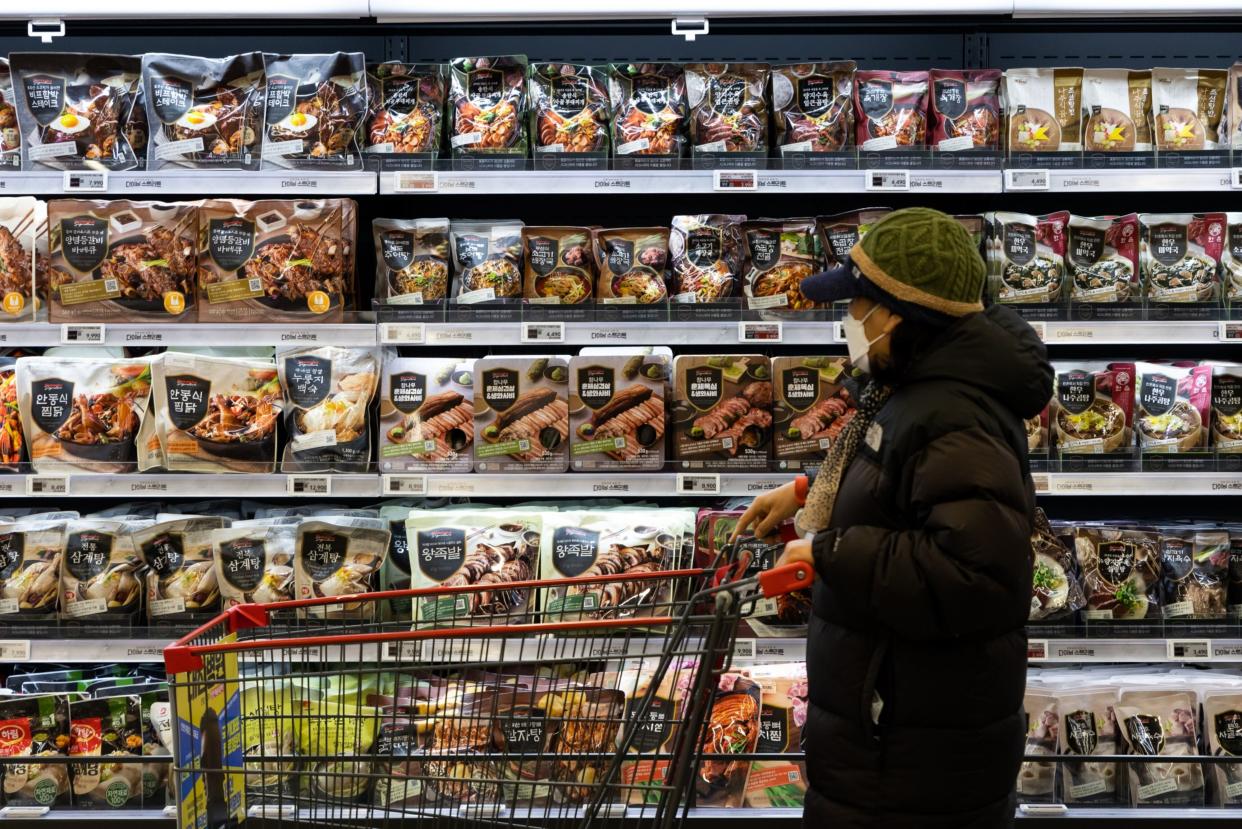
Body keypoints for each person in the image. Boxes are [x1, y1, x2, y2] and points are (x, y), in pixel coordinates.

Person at [733, 207, 1052, 829]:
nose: (851, 319)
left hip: (914, 755)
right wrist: (805, 492)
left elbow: (977, 575)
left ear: (900, 315)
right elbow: (907, 483)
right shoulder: (920, 388)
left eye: (859, 304)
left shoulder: (956, 413)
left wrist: (829, 552)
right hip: (896, 738)